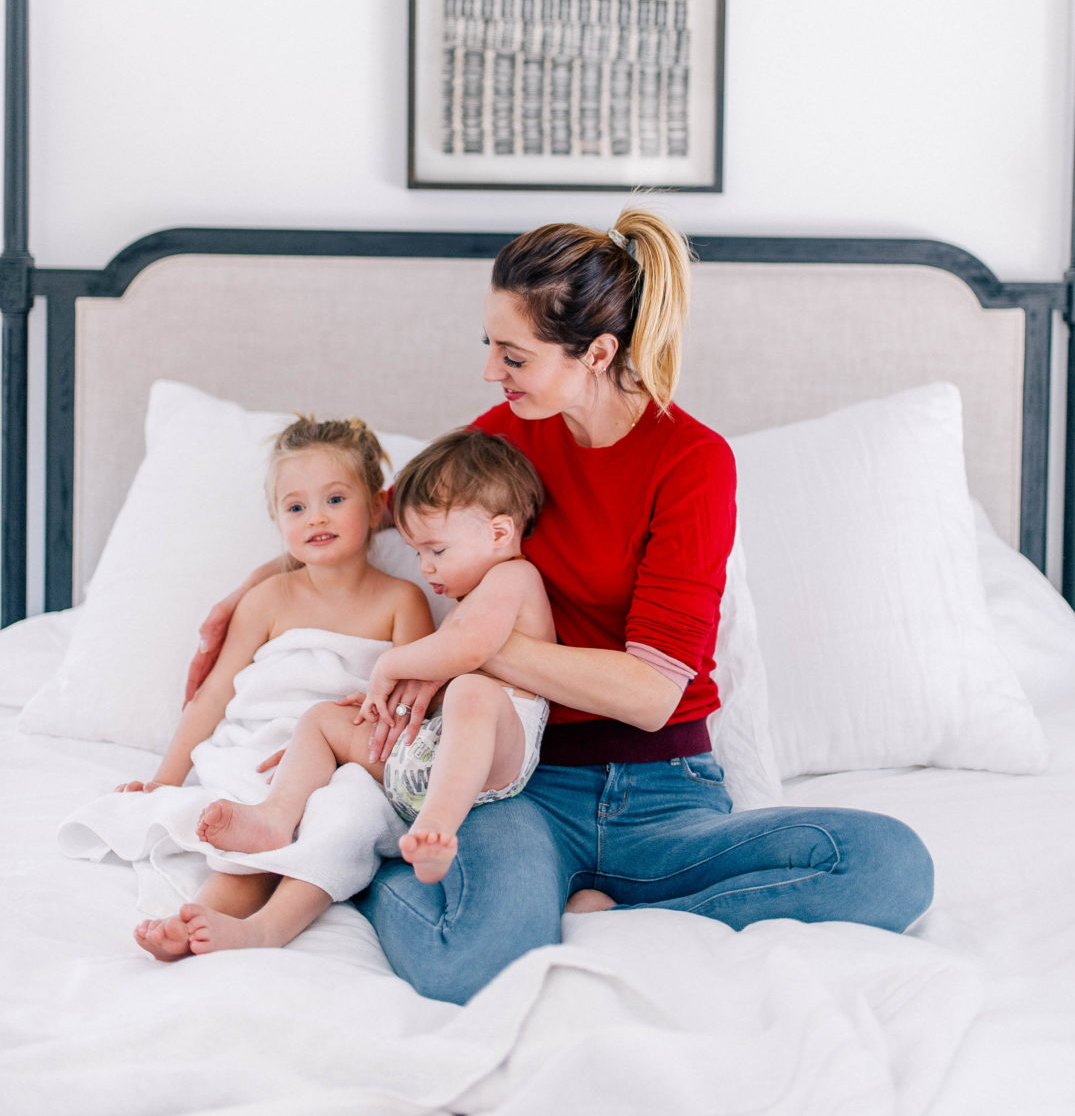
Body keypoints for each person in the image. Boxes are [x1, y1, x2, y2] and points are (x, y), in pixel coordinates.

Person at [188, 209, 934, 1003]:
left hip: (669, 792)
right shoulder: (502, 441)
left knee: (890, 865)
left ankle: (622, 904)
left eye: (513, 355)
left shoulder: (691, 461)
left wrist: (470, 646)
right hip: (523, 786)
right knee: (469, 965)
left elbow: (651, 696)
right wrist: (256, 587)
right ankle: (381, 870)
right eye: (490, 347)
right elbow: (367, 513)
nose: (490, 372)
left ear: (599, 352)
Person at [101, 416, 434, 960]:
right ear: (277, 518)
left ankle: (269, 928)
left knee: (346, 815)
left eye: (334, 499)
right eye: (296, 507)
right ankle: (205, 914)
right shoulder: (267, 599)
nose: (316, 517)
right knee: (250, 811)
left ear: (376, 507)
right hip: (262, 749)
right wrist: (165, 777)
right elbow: (213, 696)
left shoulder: (402, 601)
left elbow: (419, 701)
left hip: (348, 758)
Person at [196, 429, 554, 888]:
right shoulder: (469, 593)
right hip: (425, 758)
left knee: (472, 689)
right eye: (417, 553)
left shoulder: (513, 577)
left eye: (437, 551)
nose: (426, 568)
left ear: (500, 531)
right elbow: (432, 693)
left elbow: (467, 649)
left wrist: (389, 666)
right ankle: (275, 815)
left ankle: (436, 829)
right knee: (322, 718)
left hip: (495, 760)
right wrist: (372, 705)